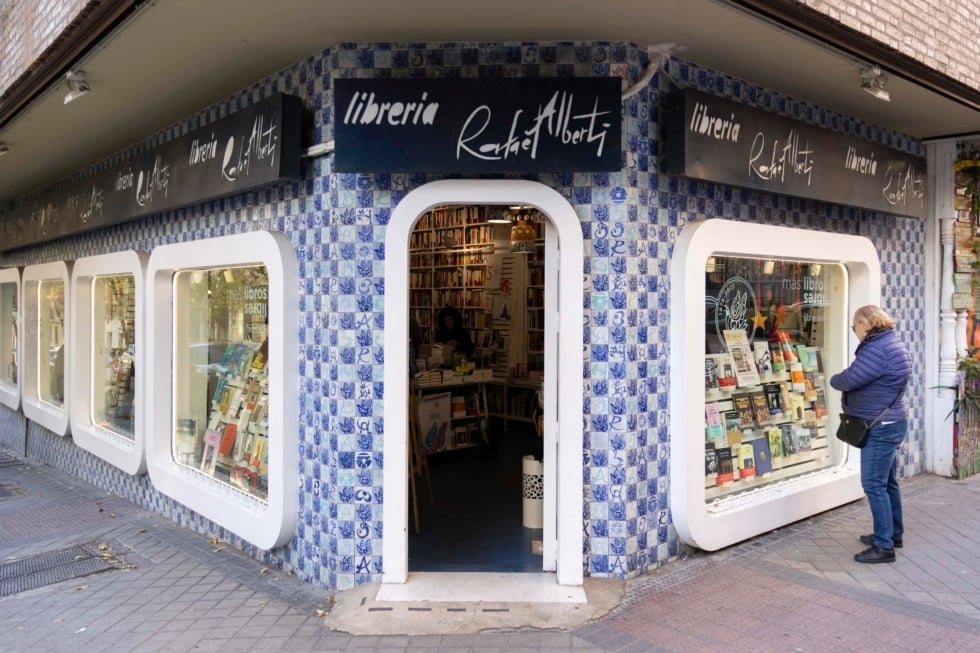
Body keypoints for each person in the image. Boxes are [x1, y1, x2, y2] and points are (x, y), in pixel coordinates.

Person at [830, 305, 911, 564]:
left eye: (855, 326)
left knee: (874, 485)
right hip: (890, 421)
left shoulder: (878, 349)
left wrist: (833, 379)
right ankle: (892, 533)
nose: (855, 331)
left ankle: (884, 546)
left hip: (881, 426)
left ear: (866, 323)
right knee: (887, 482)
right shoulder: (890, 342)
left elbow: (849, 379)